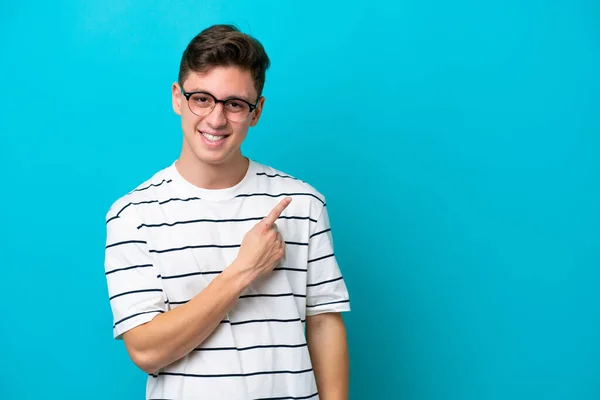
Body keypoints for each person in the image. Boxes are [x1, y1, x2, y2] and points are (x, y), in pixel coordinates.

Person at [103, 24, 351, 400]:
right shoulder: (132, 215)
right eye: (201, 98)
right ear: (177, 97)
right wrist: (243, 271)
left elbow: (324, 325)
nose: (216, 119)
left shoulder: (302, 204)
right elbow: (146, 350)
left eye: (235, 104)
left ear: (257, 111)